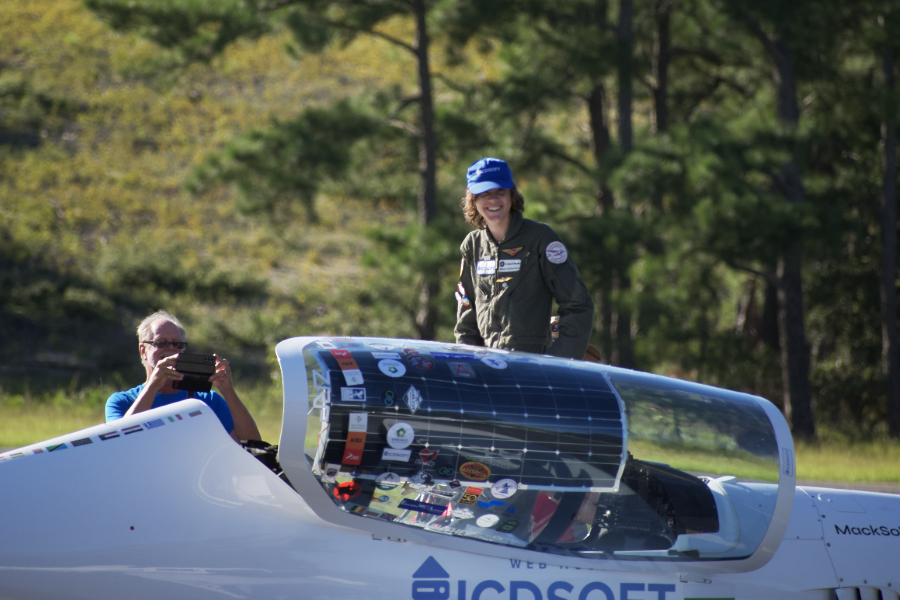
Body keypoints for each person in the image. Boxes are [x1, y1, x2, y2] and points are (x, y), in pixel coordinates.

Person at [455, 157, 594, 359]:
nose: (493, 200)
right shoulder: (472, 245)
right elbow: (466, 313)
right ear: (473, 200)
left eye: (499, 192)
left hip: (531, 368)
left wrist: (558, 364)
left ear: (512, 195)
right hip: (488, 369)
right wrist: (469, 366)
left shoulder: (541, 239)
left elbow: (578, 305)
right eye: (484, 194)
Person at [105, 310, 261, 443]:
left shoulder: (207, 400)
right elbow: (120, 443)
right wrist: (153, 386)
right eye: (162, 343)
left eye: (177, 344)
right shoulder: (122, 401)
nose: (171, 349)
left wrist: (228, 391)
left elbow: (253, 446)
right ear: (143, 350)